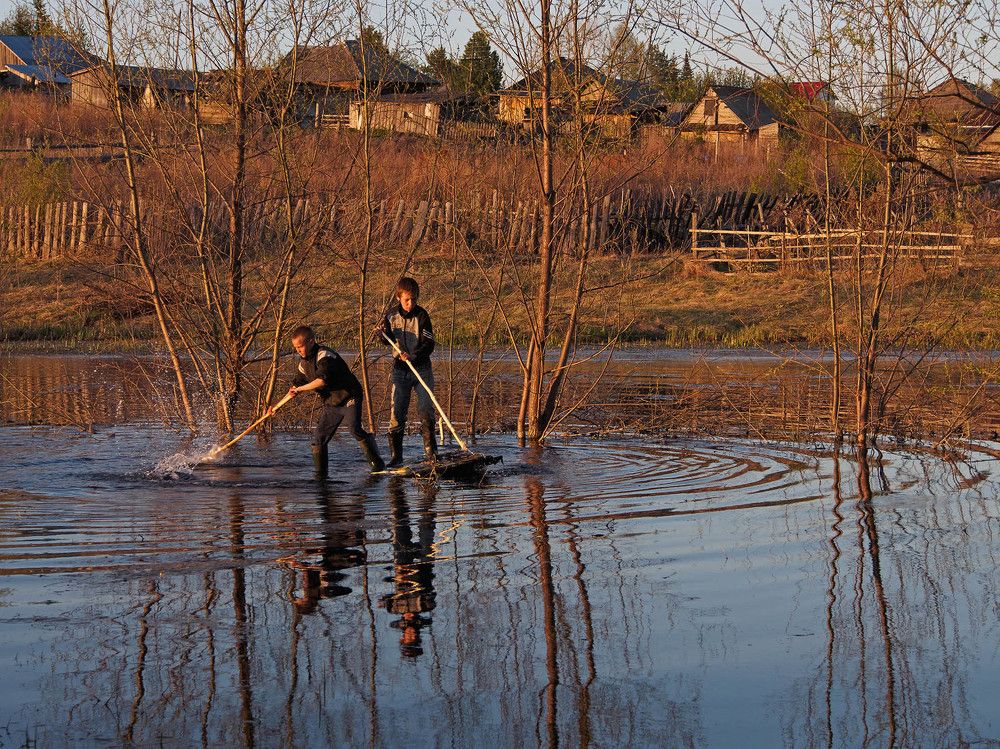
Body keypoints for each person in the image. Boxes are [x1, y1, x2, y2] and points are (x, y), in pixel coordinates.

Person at [282, 325, 384, 476]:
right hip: (332, 403)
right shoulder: (303, 364)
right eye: (296, 348)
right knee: (318, 440)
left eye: (300, 347)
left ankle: (378, 465)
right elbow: (294, 387)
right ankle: (321, 476)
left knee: (354, 429)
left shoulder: (326, 356)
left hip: (349, 397)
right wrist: (276, 406)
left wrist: (300, 389)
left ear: (311, 342)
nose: (298, 351)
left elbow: (321, 382)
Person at [378, 277, 437, 466]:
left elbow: (429, 344)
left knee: (426, 410)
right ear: (399, 298)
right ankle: (396, 457)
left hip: (421, 369)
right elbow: (385, 339)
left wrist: (414, 356)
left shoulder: (422, 316)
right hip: (400, 371)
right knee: (397, 412)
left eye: (414, 299)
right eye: (407, 300)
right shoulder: (390, 316)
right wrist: (381, 333)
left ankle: (431, 454)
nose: (411, 303)